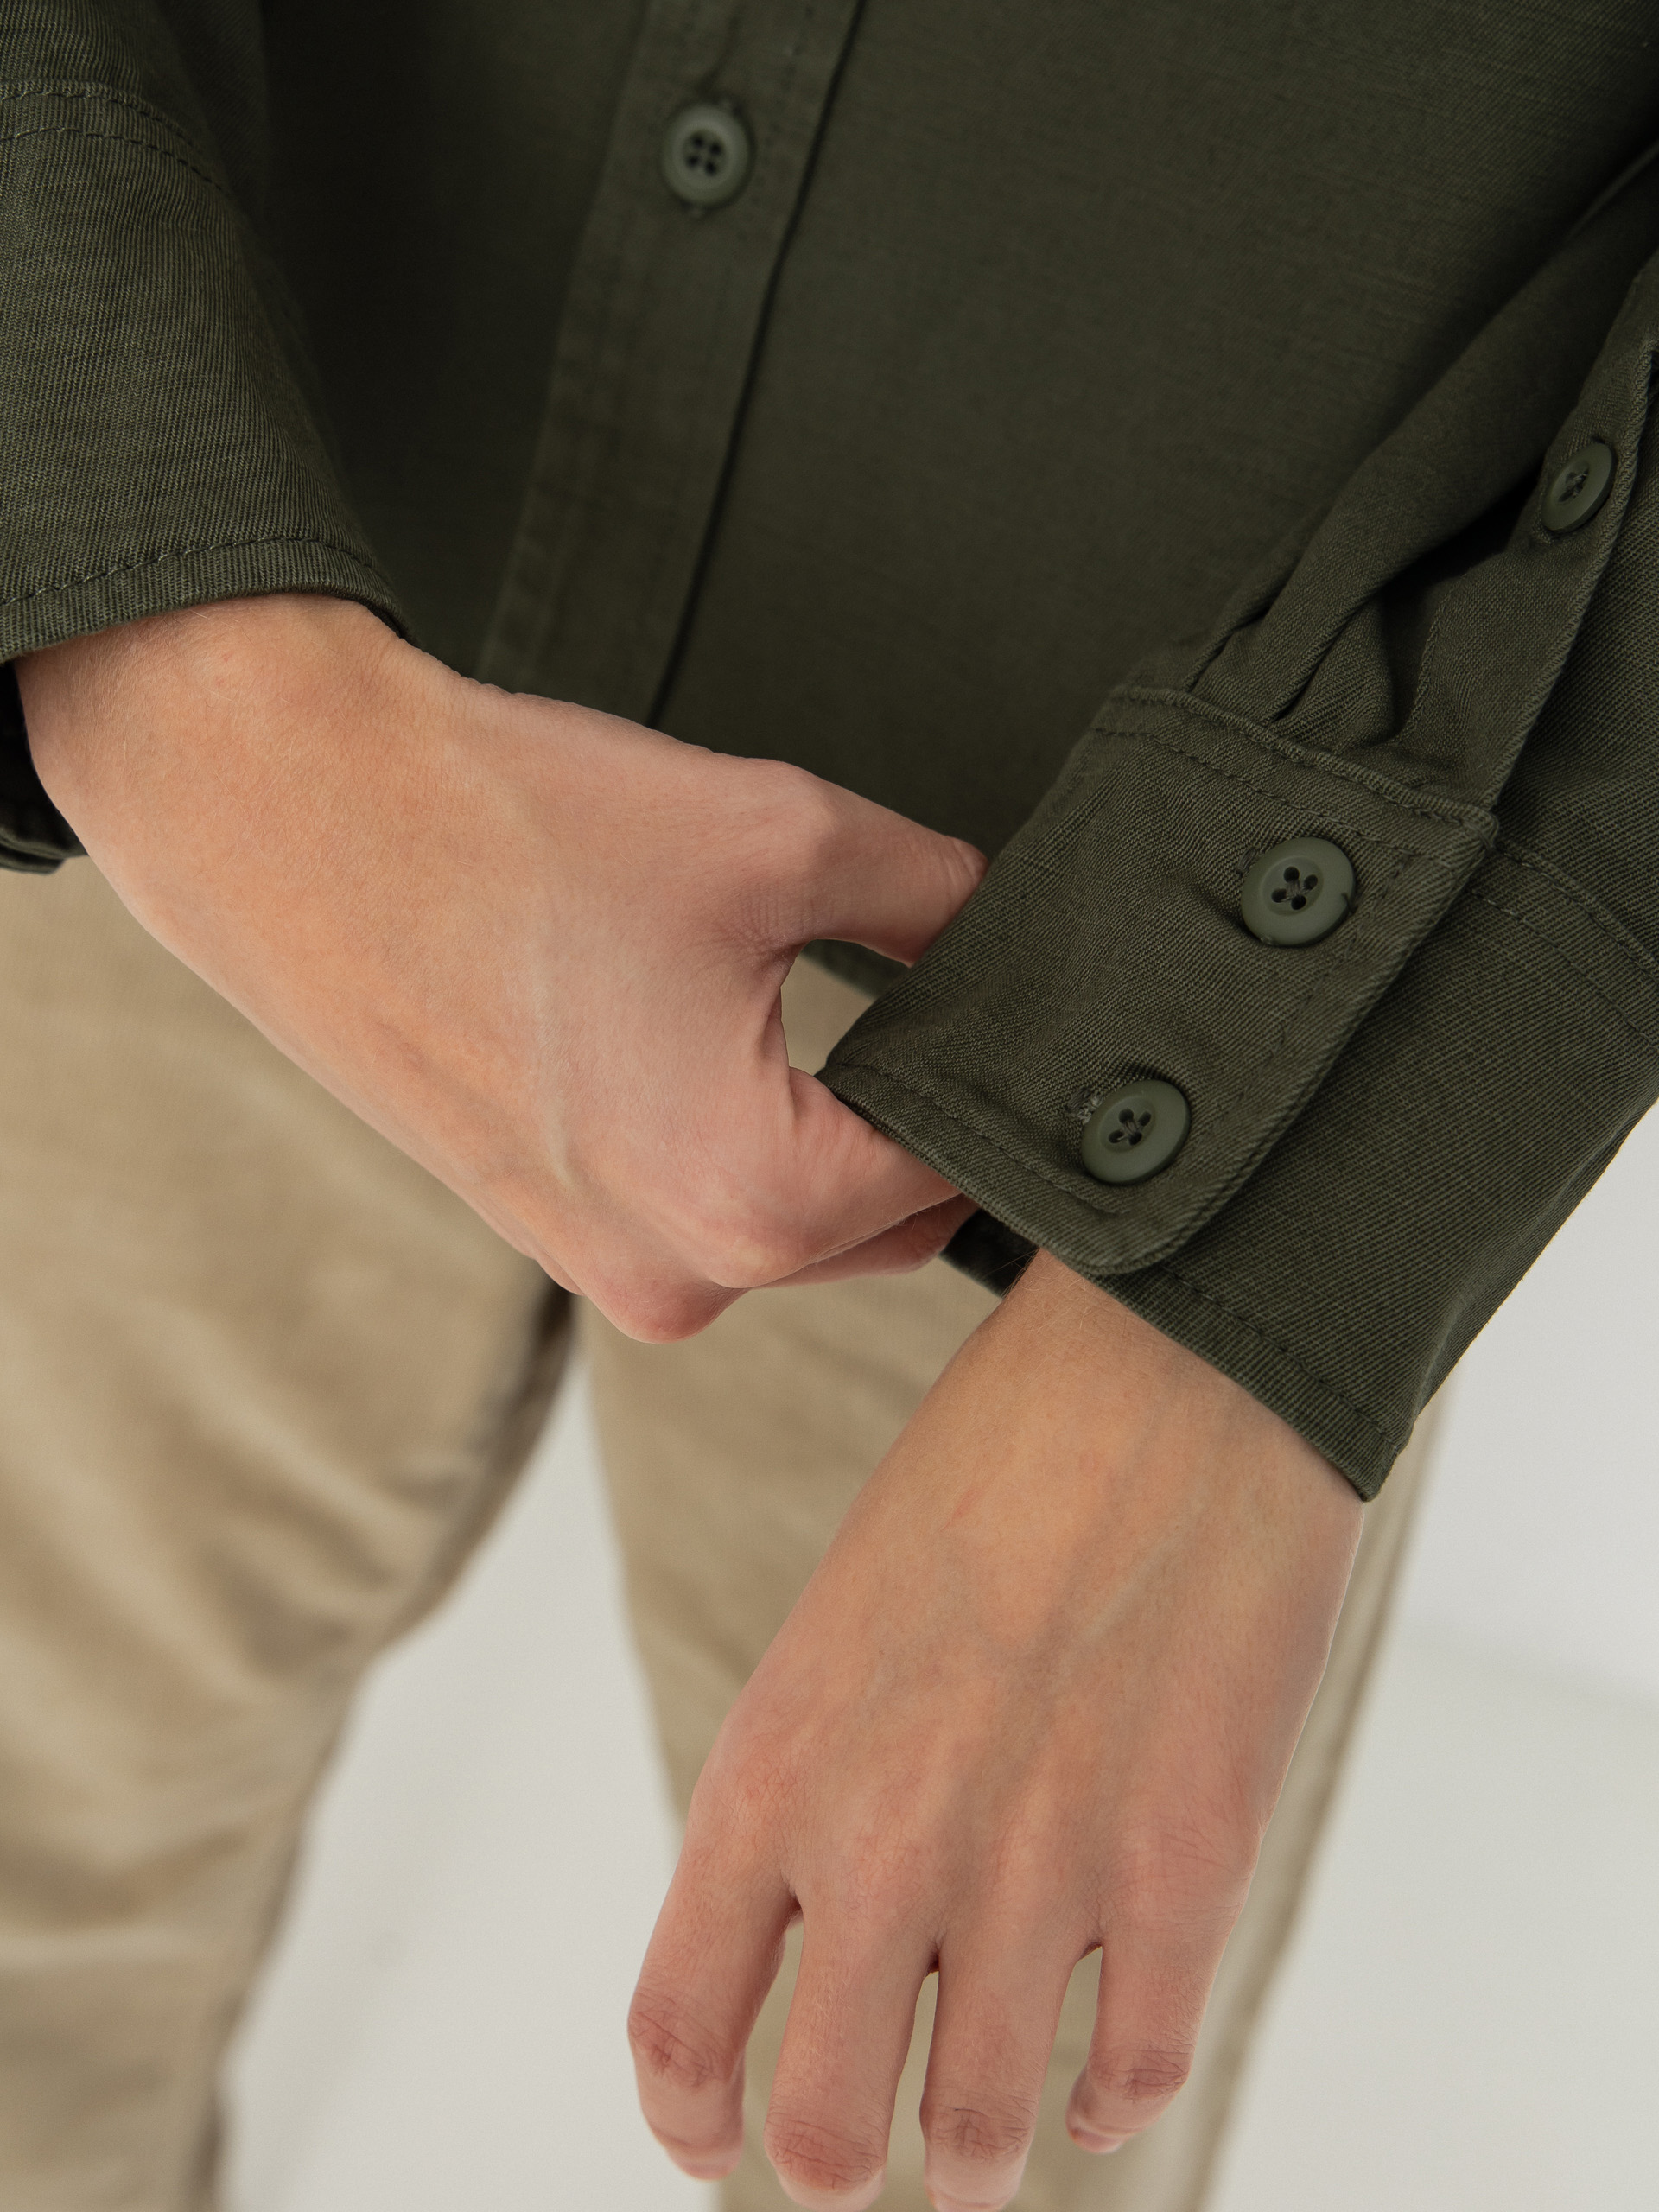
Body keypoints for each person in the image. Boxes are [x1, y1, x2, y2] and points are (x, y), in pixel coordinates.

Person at [3, 4, 1657, 2209]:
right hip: (199, 647)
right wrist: (162, 654)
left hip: (1138, 1040)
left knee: (925, 2139)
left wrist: (1262, 1271)